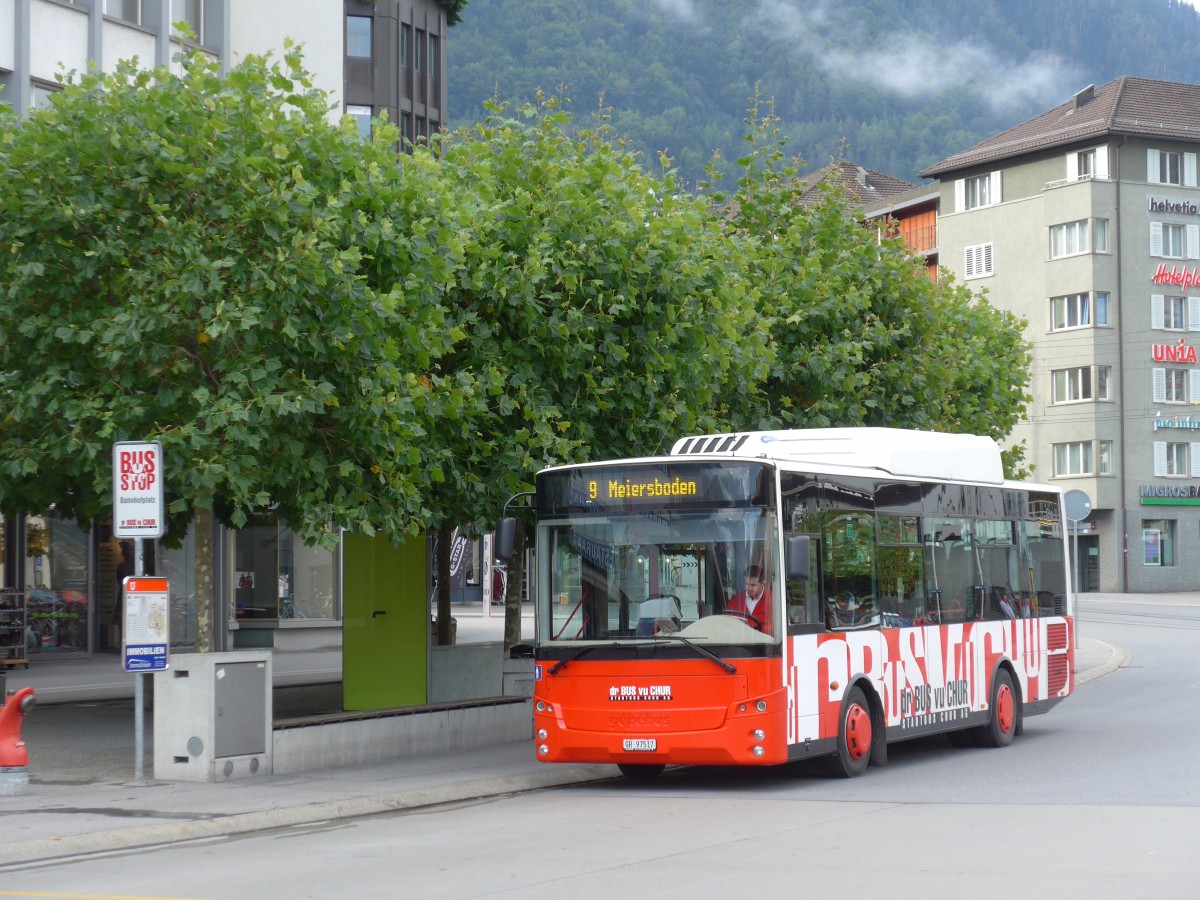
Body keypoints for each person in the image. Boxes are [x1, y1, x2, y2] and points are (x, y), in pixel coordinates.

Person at [725, 565, 773, 633]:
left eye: (753, 585)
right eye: (746, 584)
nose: (749, 588)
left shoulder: (773, 599)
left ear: (763, 583)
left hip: (765, 642)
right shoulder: (735, 600)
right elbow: (727, 623)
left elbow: (778, 625)